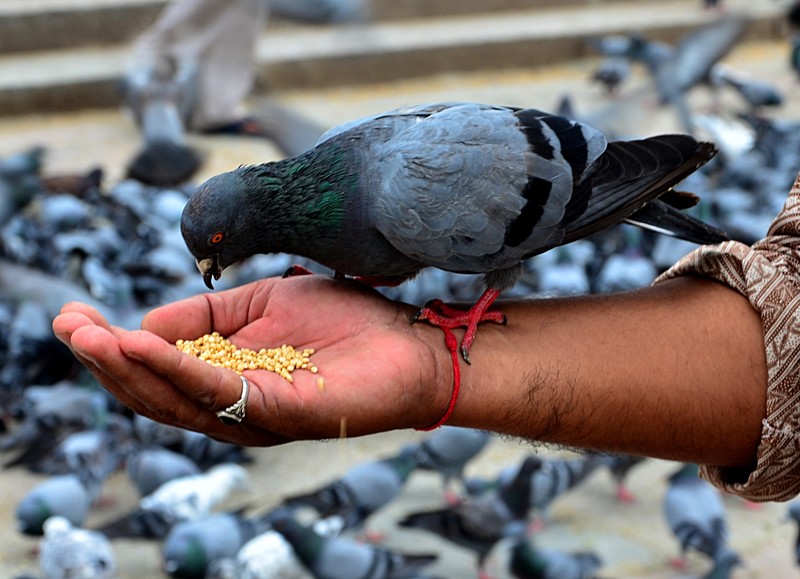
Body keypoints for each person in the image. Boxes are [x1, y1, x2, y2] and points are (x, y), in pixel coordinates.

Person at [53, 172, 800, 503]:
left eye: (216, 245)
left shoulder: (405, 200)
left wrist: (452, 342)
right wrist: (437, 367)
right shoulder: (344, 195)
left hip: (547, 182)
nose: (212, 268)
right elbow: (786, 323)